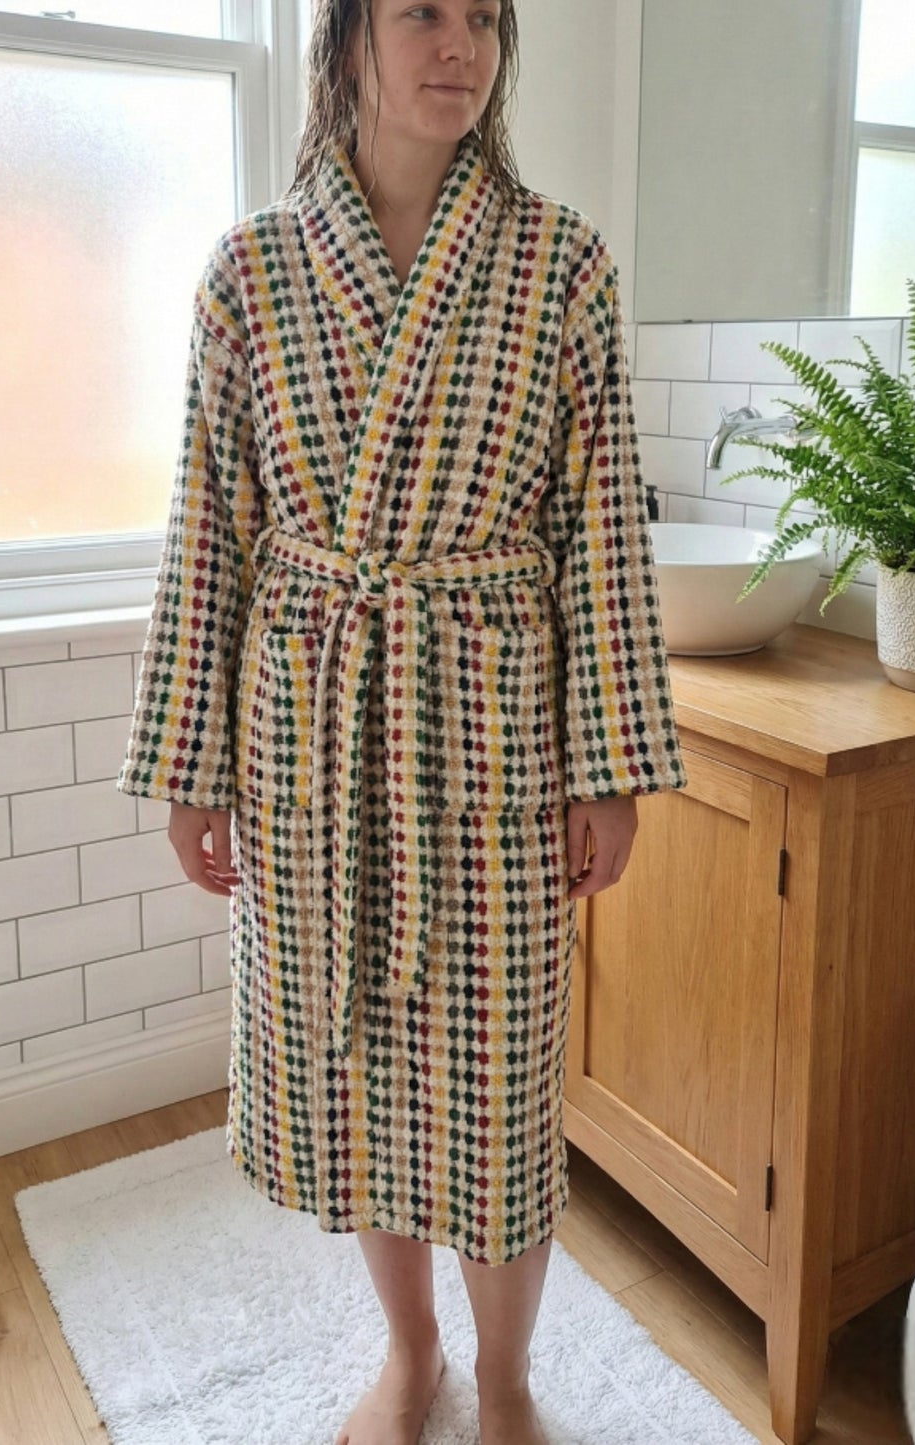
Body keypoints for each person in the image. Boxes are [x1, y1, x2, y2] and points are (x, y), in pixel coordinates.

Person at [117, 1, 688, 1442]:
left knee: (496, 1089)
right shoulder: (250, 271)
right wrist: (192, 764)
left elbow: (601, 535)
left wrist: (610, 765)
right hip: (311, 732)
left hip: (492, 731)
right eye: (422, 11)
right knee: (361, 1071)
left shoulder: (562, 263)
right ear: (347, 39)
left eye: (483, 17)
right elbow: (211, 532)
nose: (460, 46)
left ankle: (506, 1376)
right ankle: (411, 1347)